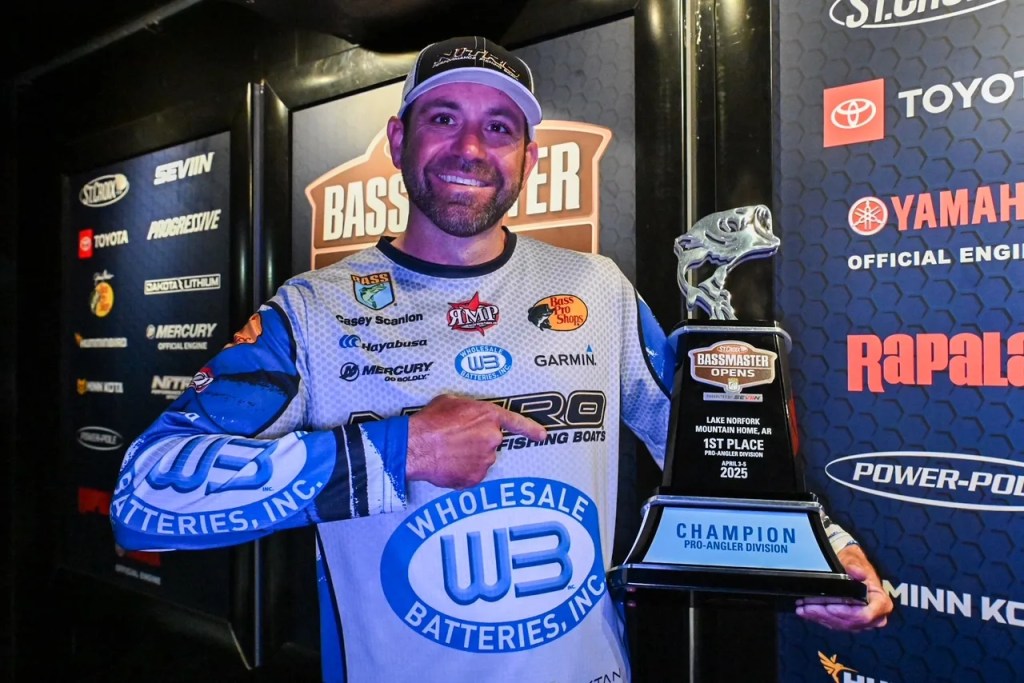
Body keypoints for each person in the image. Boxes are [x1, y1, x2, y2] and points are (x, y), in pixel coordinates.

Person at [111, 35, 892, 682]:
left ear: (527, 155)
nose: (469, 148)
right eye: (443, 118)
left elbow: (708, 446)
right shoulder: (313, 311)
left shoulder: (596, 288)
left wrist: (825, 551)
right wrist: (400, 448)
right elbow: (144, 495)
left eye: (498, 128)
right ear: (399, 140)